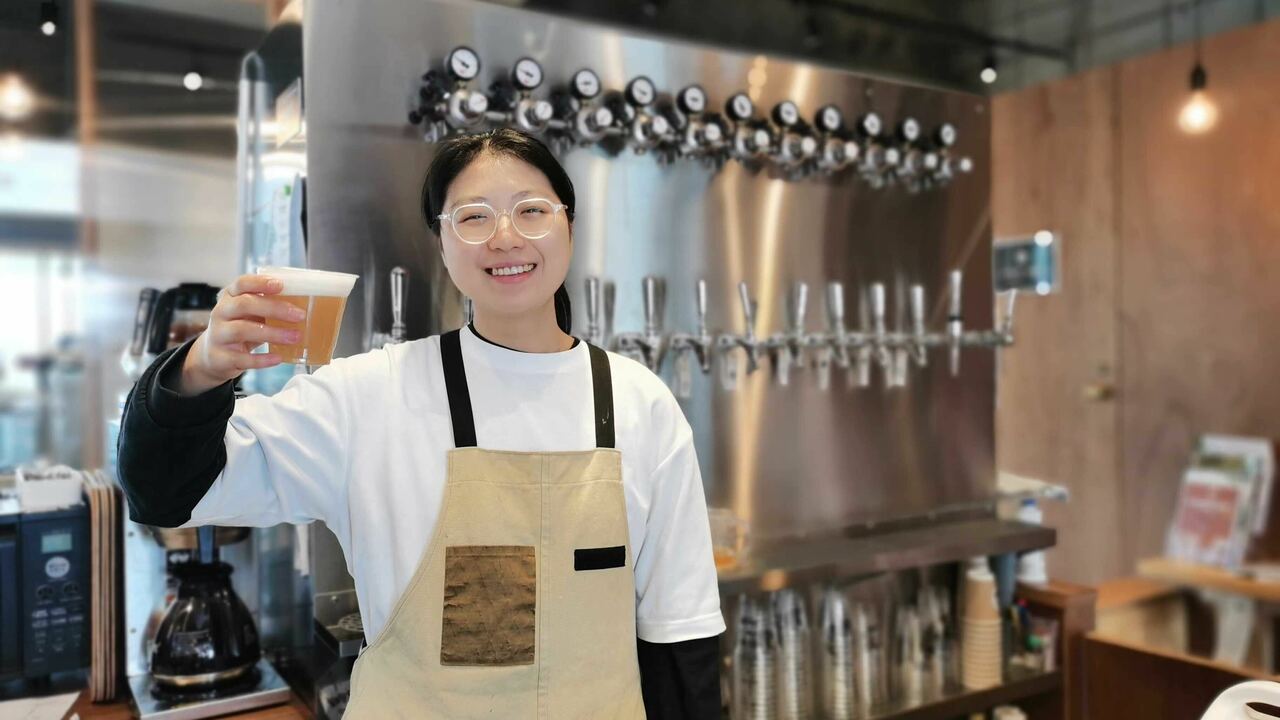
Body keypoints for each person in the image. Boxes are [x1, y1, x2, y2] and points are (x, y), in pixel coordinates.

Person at [117, 128, 725, 718]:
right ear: (442, 241)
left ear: (568, 225)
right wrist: (200, 370)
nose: (506, 237)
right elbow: (165, 492)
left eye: (532, 211)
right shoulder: (368, 396)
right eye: (474, 216)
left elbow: (681, 633)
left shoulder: (641, 404)